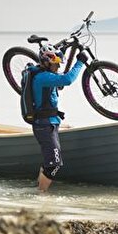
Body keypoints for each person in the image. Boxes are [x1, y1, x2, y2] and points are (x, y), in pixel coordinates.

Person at [32, 48, 89, 192]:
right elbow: (67, 80)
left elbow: (60, 83)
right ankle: (41, 196)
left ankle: (38, 191)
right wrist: (80, 62)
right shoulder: (43, 77)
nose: (58, 67)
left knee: (49, 162)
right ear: (46, 63)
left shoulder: (46, 75)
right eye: (56, 64)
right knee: (54, 164)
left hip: (49, 123)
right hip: (45, 126)